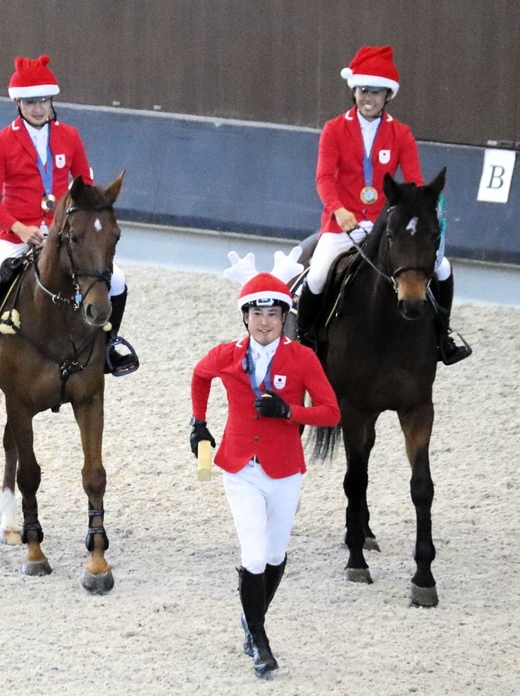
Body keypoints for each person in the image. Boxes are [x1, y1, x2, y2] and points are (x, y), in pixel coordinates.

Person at [189, 266, 340, 678]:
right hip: (240, 469)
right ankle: (259, 637)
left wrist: (290, 412)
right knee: (253, 555)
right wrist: (198, 423)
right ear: (245, 317)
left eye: (273, 314)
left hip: (286, 470)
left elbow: (331, 412)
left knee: (274, 555)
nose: (265, 322)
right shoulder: (226, 355)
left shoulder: (302, 358)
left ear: (284, 316)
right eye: (257, 314)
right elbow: (200, 376)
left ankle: (250, 618)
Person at [0, 54, 139, 377]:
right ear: (18, 104)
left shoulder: (70, 136)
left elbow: (85, 188)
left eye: (43, 101)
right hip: (15, 233)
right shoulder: (2, 141)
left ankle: (109, 347)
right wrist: (19, 229)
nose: (38, 108)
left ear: (52, 101)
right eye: (29, 102)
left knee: (117, 281)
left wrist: (79, 225)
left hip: (62, 233)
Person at [296, 45, 471, 365]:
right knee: (318, 274)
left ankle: (441, 338)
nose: (368, 98)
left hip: (386, 222)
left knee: (443, 269)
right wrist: (337, 209)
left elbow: (415, 182)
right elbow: (323, 177)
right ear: (355, 90)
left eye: (376, 92)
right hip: (342, 222)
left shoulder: (400, 134)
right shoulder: (334, 129)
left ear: (387, 96)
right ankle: (305, 338)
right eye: (364, 90)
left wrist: (422, 205)